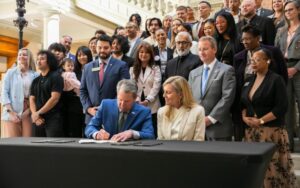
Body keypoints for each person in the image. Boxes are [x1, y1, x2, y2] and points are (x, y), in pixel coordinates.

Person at [241, 48, 297, 188]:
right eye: (252, 60)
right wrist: (244, 118)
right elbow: (243, 103)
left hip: (271, 132)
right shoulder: (249, 80)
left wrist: (261, 121)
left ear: (268, 61)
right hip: (251, 132)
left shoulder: (276, 79)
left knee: (272, 173)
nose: (253, 62)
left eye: (258, 60)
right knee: (255, 172)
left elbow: (281, 107)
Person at [233, 24, 288, 141]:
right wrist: (244, 116)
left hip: (269, 113)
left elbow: (283, 76)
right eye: (243, 39)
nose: (245, 42)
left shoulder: (273, 52)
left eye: (248, 39)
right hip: (248, 109)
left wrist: (262, 120)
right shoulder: (238, 57)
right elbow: (239, 85)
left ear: (258, 38)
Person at [189, 36, 236, 141]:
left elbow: (227, 97)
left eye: (205, 49)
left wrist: (210, 119)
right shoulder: (193, 73)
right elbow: (190, 98)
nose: (201, 52)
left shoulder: (226, 70)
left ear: (214, 49)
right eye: (199, 49)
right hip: (197, 128)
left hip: (218, 128)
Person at [80, 34, 130, 125]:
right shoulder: (87, 67)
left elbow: (124, 90)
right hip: (91, 117)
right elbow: (83, 90)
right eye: (100, 47)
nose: (102, 50)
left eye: (106, 48)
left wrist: (108, 108)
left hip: (113, 115)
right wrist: (88, 109)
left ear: (111, 48)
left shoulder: (121, 66)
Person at [85, 79, 155, 141]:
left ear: (135, 98)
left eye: (127, 101)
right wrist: (97, 134)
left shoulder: (144, 112)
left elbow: (150, 135)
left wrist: (132, 133)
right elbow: (90, 127)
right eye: (120, 100)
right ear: (117, 95)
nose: (122, 104)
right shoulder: (105, 105)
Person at [275, 0, 300, 152]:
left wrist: (296, 68)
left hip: (298, 69)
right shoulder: (281, 30)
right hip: (284, 69)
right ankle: (289, 144)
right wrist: (282, 69)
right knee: (287, 108)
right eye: (286, 11)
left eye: (291, 9)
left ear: (298, 10)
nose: (288, 12)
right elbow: (276, 52)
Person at [1, 48, 38, 137]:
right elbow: (4, 93)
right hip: (12, 111)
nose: (21, 56)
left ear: (29, 57)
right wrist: (11, 112)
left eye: (24, 54)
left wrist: (29, 111)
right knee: (12, 143)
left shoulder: (35, 75)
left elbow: (37, 95)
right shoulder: (10, 72)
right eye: (20, 54)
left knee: (27, 142)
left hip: (28, 111)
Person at [157, 76, 205, 141]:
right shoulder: (161, 111)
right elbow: (160, 139)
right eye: (164, 92)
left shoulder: (198, 111)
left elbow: (199, 141)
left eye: (168, 92)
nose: (164, 95)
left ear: (180, 94)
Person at [130, 42, 161, 137]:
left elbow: (157, 86)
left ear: (151, 55)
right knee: (139, 131)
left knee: (153, 130)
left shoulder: (155, 68)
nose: (143, 54)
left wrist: (148, 100)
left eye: (147, 52)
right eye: (141, 52)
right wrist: (138, 100)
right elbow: (132, 86)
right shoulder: (132, 69)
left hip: (153, 105)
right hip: (137, 104)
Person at [30, 50, 64, 137]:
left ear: (49, 61)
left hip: (53, 118)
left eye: (42, 59)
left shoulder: (56, 77)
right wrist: (35, 114)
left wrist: (38, 113)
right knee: (37, 147)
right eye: (37, 59)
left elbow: (54, 98)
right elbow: (32, 99)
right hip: (38, 119)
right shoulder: (35, 80)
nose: (38, 61)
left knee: (52, 147)